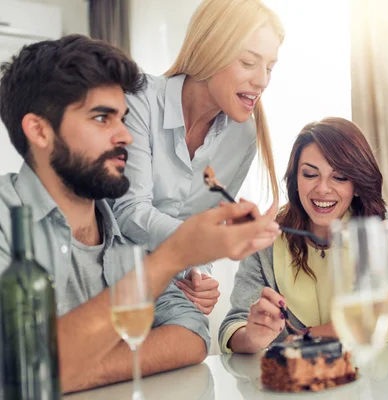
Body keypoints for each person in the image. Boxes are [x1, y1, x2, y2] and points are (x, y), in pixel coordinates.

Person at [0, 34, 279, 393]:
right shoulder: (6, 222)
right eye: (102, 118)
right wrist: (172, 256)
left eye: (123, 118)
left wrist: (68, 370)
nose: (126, 136)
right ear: (39, 130)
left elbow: (191, 332)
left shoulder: (117, 230)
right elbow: (16, 368)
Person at [111, 0, 284, 314]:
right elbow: (129, 212)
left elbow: (205, 223)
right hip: (112, 283)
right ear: (210, 51)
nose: (262, 80)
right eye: (249, 62)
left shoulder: (242, 136)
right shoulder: (140, 100)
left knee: (192, 343)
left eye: (269, 67)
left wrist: (200, 273)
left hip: (171, 288)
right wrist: (207, 240)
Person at [219, 117, 388, 353]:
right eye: (310, 175)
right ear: (295, 180)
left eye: (339, 177)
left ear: (356, 184)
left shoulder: (380, 226)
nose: (322, 188)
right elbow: (233, 326)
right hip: (297, 384)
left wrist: (305, 336)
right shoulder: (268, 237)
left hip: (378, 380)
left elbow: (387, 317)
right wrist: (252, 337)